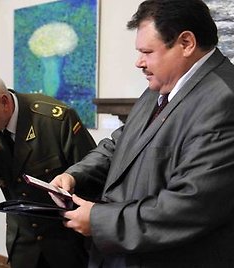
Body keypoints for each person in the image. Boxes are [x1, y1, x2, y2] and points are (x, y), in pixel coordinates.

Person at [50, 0, 234, 267]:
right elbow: (118, 144)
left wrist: (100, 221)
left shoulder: (224, 99)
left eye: (147, 52)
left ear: (186, 43)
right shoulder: (159, 88)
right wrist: (74, 175)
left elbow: (192, 204)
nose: (139, 62)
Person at [0, 73, 96, 268]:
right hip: (23, 244)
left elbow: (92, 178)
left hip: (66, 242)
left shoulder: (55, 120)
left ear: (4, 103)